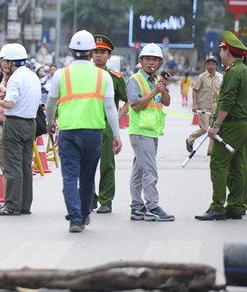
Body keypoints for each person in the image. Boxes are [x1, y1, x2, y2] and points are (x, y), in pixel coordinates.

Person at [45, 31, 122, 232]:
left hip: (69, 133)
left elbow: (50, 103)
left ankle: (75, 218)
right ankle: (85, 214)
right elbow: (110, 108)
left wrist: (49, 122)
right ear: (90, 52)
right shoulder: (103, 75)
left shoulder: (61, 74)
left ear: (71, 51)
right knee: (88, 177)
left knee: (70, 177)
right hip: (94, 134)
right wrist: (116, 134)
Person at [195, 32, 247, 221]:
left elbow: (226, 101)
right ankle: (236, 206)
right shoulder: (244, 70)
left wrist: (216, 125)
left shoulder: (233, 72)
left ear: (228, 51)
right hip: (243, 124)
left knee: (218, 163)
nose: (220, 53)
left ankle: (217, 206)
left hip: (231, 124)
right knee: (238, 165)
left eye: (222, 49)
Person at [125, 43, 174, 222]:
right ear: (141, 61)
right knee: (150, 171)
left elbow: (166, 102)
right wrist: (155, 90)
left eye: (154, 59)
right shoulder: (134, 80)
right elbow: (136, 105)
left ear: (160, 62)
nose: (151, 62)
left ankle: (137, 207)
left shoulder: (155, 80)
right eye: (148, 59)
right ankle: (153, 206)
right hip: (140, 132)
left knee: (139, 171)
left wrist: (163, 87)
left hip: (152, 131)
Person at [0, 43, 41, 216]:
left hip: (14, 124)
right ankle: (24, 205)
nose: (4, 64)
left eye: (5, 61)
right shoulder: (32, 76)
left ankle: (12, 205)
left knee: (13, 165)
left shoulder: (15, 78)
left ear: (11, 62)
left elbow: (9, 103)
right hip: (31, 124)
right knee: (25, 166)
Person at [91, 35, 127, 215]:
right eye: (96, 52)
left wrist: (117, 118)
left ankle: (106, 200)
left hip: (106, 126)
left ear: (109, 56)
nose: (99, 55)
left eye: (102, 52)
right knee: (86, 164)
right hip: (87, 123)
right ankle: (89, 198)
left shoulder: (116, 78)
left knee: (107, 164)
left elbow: (129, 101)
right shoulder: (85, 75)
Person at [186, 55, 221, 155]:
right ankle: (190, 139)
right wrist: (195, 104)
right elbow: (195, 90)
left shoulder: (218, 78)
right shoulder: (202, 77)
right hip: (203, 107)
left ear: (216, 66)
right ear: (206, 65)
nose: (211, 66)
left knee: (214, 129)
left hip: (214, 107)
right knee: (205, 128)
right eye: (209, 64)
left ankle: (210, 150)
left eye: (213, 64)